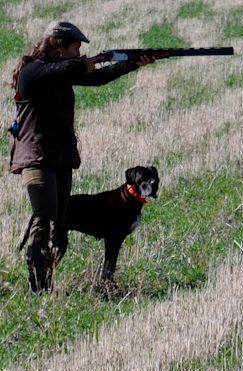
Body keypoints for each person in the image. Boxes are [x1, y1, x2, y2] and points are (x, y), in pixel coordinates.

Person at [8, 21, 154, 293]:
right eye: (75, 48)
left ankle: (46, 280)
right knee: (45, 216)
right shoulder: (32, 72)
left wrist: (134, 63)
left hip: (60, 158)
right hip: (36, 158)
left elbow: (97, 77)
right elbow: (69, 68)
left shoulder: (60, 72)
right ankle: (38, 285)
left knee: (59, 223)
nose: (78, 54)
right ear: (58, 47)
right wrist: (88, 62)